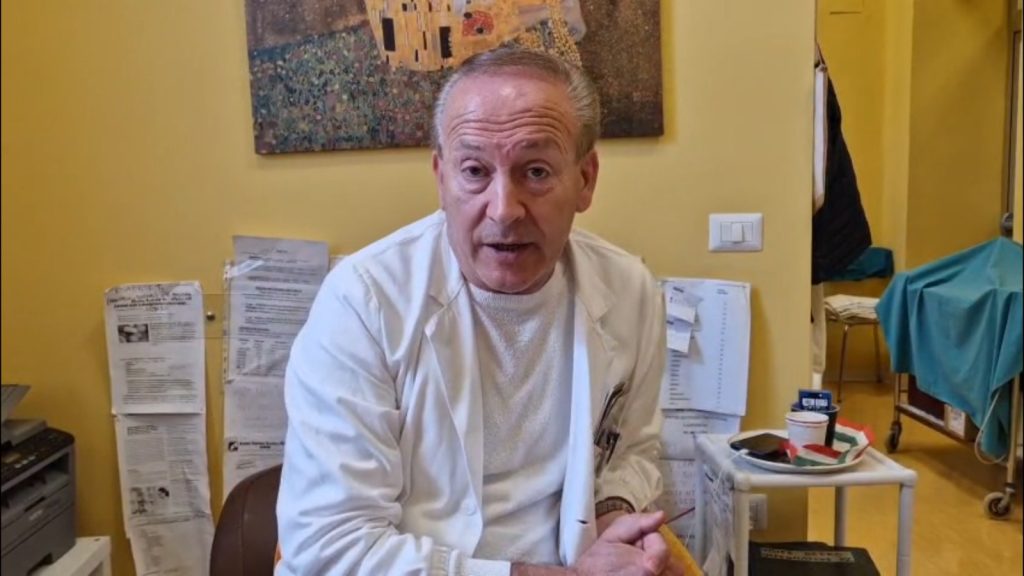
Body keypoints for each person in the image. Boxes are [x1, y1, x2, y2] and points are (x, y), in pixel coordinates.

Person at [277, 46, 680, 576]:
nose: (504, 209)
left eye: (536, 171)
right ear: (441, 177)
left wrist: (615, 520)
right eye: (474, 171)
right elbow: (331, 544)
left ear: (585, 179)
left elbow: (631, 450)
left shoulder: (630, 290)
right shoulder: (363, 301)